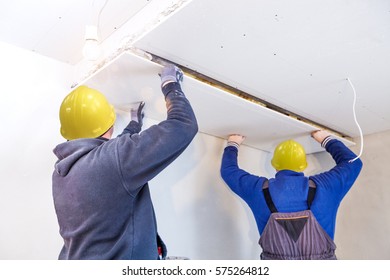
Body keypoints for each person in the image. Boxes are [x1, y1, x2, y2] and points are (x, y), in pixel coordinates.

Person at [52, 64, 198, 260]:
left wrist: (133, 125)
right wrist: (170, 84)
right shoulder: (112, 160)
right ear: (110, 125)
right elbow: (183, 124)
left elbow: (113, 157)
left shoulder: (62, 173)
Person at [220, 130, 363, 259]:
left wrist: (233, 142)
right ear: (303, 165)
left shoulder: (258, 189)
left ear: (275, 165)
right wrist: (325, 139)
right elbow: (353, 164)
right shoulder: (326, 186)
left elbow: (229, 171)